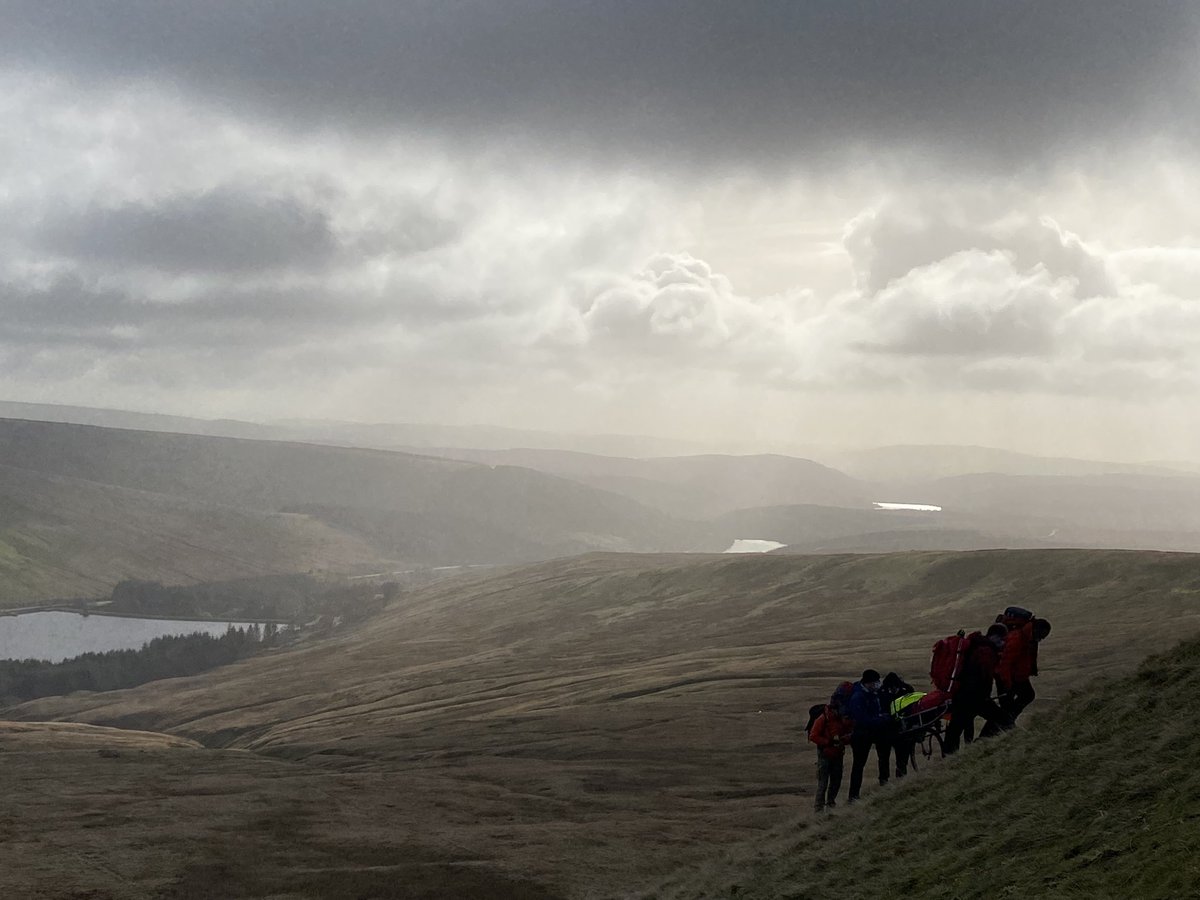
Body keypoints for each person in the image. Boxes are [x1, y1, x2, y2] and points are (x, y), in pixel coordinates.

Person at [945, 624, 1010, 752]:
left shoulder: (975, 645)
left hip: (961, 695)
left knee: (955, 729)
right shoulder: (986, 651)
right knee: (1004, 720)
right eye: (1002, 639)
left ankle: (948, 760)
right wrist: (984, 696)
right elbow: (982, 676)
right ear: (995, 636)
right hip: (975, 697)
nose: (1003, 643)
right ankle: (982, 746)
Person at [846, 669, 894, 802]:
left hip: (874, 731)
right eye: (875, 682)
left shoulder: (871, 693)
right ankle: (853, 796)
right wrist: (882, 719)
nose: (877, 685)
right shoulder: (858, 697)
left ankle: (884, 783)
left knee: (883, 756)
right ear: (868, 683)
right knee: (859, 765)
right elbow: (862, 720)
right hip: (862, 733)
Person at [995, 617, 1052, 725]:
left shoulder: (1026, 637)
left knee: (1018, 701)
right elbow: (1005, 664)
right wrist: (1007, 683)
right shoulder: (1017, 639)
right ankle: (1000, 729)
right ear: (1036, 631)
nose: (1041, 639)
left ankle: (1006, 725)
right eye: (1041, 636)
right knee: (1008, 707)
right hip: (1008, 677)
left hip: (1016, 676)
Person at [808, 681, 854, 812]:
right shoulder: (824, 718)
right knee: (823, 784)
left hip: (837, 752)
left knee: (835, 781)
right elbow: (813, 736)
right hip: (826, 753)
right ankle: (819, 810)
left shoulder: (838, 718)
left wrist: (844, 739)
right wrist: (828, 742)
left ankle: (829, 806)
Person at [879, 672, 916, 777]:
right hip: (887, 730)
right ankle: (885, 780)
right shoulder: (882, 691)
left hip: (901, 730)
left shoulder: (906, 689)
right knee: (884, 759)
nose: (893, 690)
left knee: (901, 758)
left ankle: (899, 777)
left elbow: (912, 708)